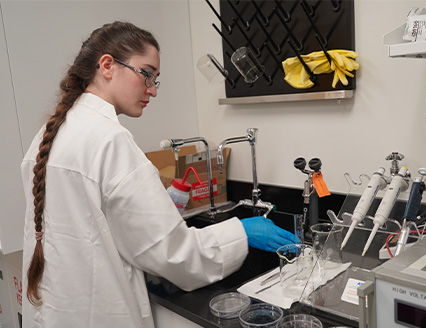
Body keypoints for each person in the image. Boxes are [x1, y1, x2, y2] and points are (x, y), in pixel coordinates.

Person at [21, 21, 297, 328]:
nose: (152, 89)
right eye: (146, 73)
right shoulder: (110, 138)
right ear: (108, 65)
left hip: (59, 311)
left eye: (156, 79)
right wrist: (241, 232)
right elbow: (172, 253)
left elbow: (87, 224)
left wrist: (153, 208)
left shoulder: (51, 132)